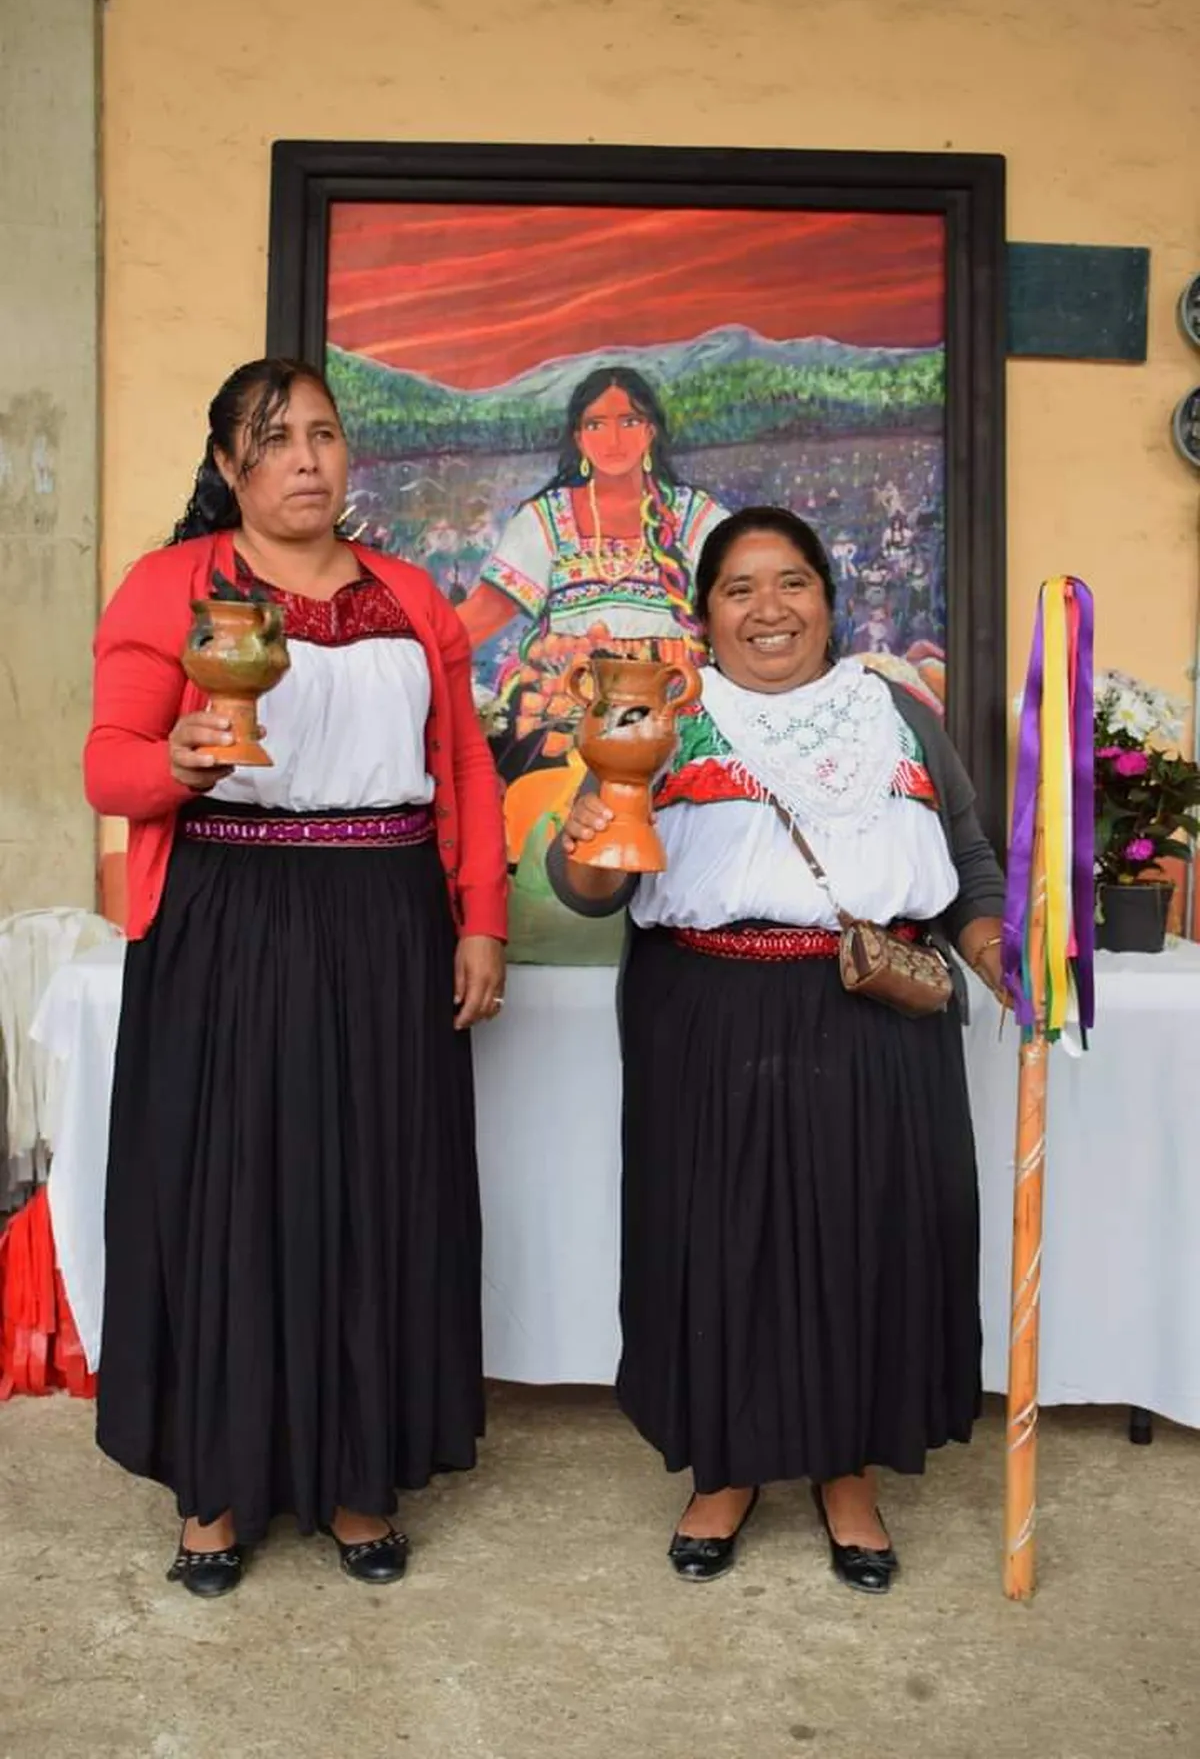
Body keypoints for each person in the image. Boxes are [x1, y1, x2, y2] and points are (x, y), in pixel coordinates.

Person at [84, 358, 507, 1597]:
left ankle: (353, 1479)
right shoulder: (174, 586)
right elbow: (109, 766)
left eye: (323, 434)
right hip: (230, 913)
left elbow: (469, 770)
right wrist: (181, 760)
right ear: (228, 466)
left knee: (376, 1190)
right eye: (274, 440)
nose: (306, 459)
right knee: (228, 1192)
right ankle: (214, 1492)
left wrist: (479, 916)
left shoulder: (412, 595)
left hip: (386, 916)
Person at [547, 506, 1005, 1593]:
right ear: (705, 613)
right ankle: (725, 1470)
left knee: (869, 1241)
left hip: (873, 1008)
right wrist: (601, 825)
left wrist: (993, 947)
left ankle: (848, 1479)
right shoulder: (664, 713)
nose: (769, 608)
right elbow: (584, 885)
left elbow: (967, 851)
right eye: (741, 588)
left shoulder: (892, 714)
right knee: (718, 1243)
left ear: (829, 603)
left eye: (792, 583)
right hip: (707, 1011)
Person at [456, 366, 727, 782]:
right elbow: (481, 615)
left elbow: (740, 600)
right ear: (579, 438)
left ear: (651, 431)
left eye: (629, 421)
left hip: (672, 699)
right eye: (596, 424)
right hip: (563, 703)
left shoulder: (694, 517)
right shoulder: (545, 519)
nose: (613, 440)